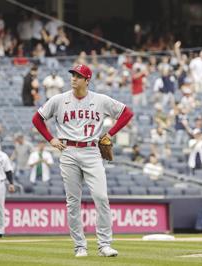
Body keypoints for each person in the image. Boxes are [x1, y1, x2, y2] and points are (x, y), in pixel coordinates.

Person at [32, 64, 133, 257]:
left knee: (101, 197)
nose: (74, 78)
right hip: (68, 151)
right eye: (73, 75)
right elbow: (37, 119)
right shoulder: (59, 100)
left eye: (78, 76)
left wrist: (110, 133)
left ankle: (104, 244)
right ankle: (80, 246)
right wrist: (51, 139)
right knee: (73, 202)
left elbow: (127, 113)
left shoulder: (100, 100)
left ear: (87, 80)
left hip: (92, 151)